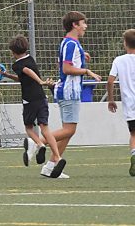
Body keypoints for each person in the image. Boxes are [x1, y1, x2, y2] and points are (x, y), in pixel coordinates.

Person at [42, 11, 101, 178]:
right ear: (75, 25)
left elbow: (62, 62)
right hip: (69, 91)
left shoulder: (70, 43)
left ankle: (51, 166)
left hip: (68, 91)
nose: (85, 26)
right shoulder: (71, 44)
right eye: (83, 23)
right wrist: (86, 70)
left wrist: (82, 56)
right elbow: (66, 69)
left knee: (67, 132)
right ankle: (37, 142)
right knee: (69, 130)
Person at [0, 35, 66, 178]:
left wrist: (40, 81)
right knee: (45, 128)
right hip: (41, 99)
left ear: (13, 51)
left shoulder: (17, 64)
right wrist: (6, 75)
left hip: (29, 101)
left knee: (29, 128)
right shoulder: (30, 59)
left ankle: (40, 145)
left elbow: (26, 72)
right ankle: (58, 158)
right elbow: (22, 77)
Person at [107, 29, 135, 176]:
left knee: (133, 134)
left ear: (125, 44)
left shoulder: (119, 60)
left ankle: (134, 154)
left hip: (130, 105)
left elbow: (111, 81)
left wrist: (111, 100)